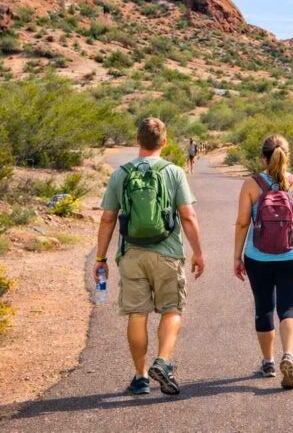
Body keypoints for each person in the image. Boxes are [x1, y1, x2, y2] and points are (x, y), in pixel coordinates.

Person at [93, 117, 205, 396]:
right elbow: (188, 216)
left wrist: (101, 258)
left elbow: (108, 219)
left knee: (137, 314)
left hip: (131, 253)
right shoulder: (174, 172)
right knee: (172, 309)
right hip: (167, 253)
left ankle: (141, 377)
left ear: (137, 140)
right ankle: (163, 361)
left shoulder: (121, 173)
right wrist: (198, 253)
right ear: (164, 142)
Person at [233, 135, 293, 389]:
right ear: (288, 155)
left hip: (258, 257)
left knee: (264, 308)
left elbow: (243, 223)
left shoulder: (251, 185)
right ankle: (289, 355)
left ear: (263, 158)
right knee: (289, 308)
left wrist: (237, 256)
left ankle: (268, 362)